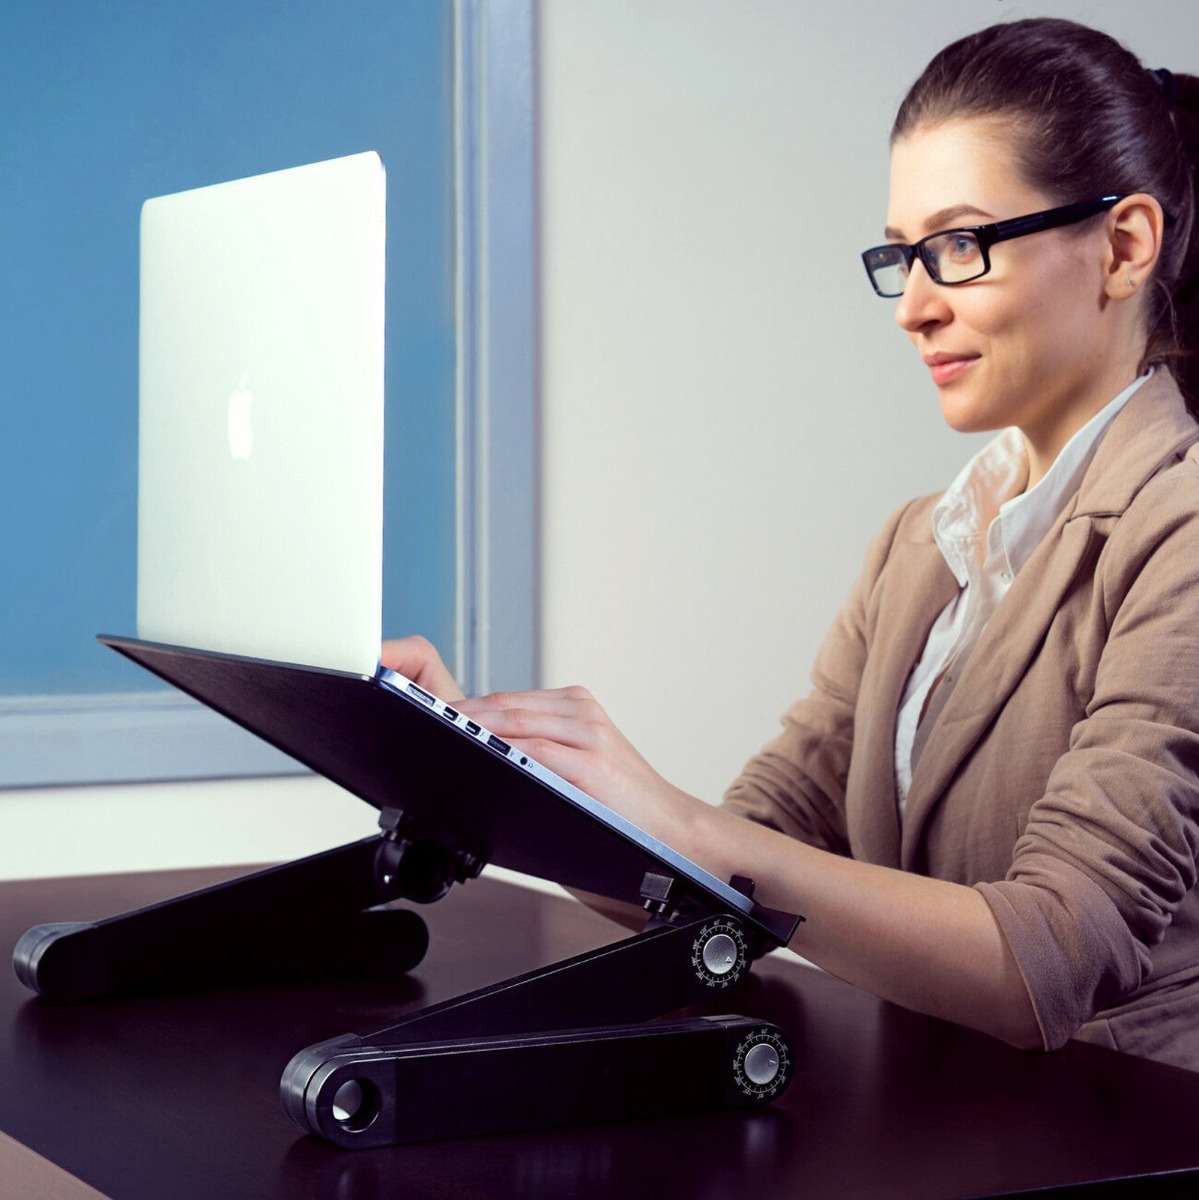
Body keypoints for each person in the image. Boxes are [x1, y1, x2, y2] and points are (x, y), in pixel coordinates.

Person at [384, 18, 1199, 1071]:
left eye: (957, 246)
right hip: (933, 1123)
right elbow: (723, 877)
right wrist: (489, 777)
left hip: (1119, 1142)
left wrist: (681, 820)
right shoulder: (920, 546)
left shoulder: (1176, 532)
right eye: (901, 255)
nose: (911, 305)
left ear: (1122, 246)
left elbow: (1051, 957)